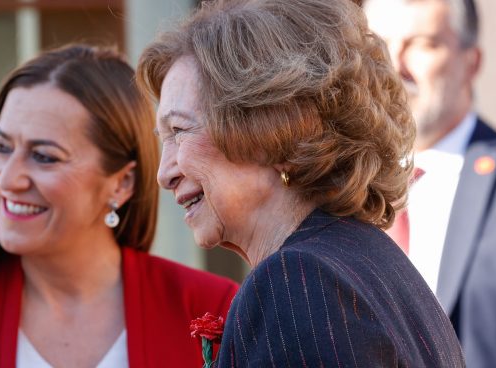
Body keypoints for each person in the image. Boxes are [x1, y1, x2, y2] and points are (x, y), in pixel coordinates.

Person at [136, 0, 465, 366]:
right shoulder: (375, 265)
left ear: (277, 128)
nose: (164, 173)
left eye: (180, 131)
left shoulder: (297, 281)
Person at [0, 44, 238, 368]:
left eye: (44, 156)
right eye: (1, 146)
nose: (8, 179)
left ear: (121, 183)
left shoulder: (212, 308)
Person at [364, 0, 496, 366]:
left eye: (422, 44)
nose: (394, 66)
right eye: (379, 45)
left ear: (472, 62)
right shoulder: (334, 186)